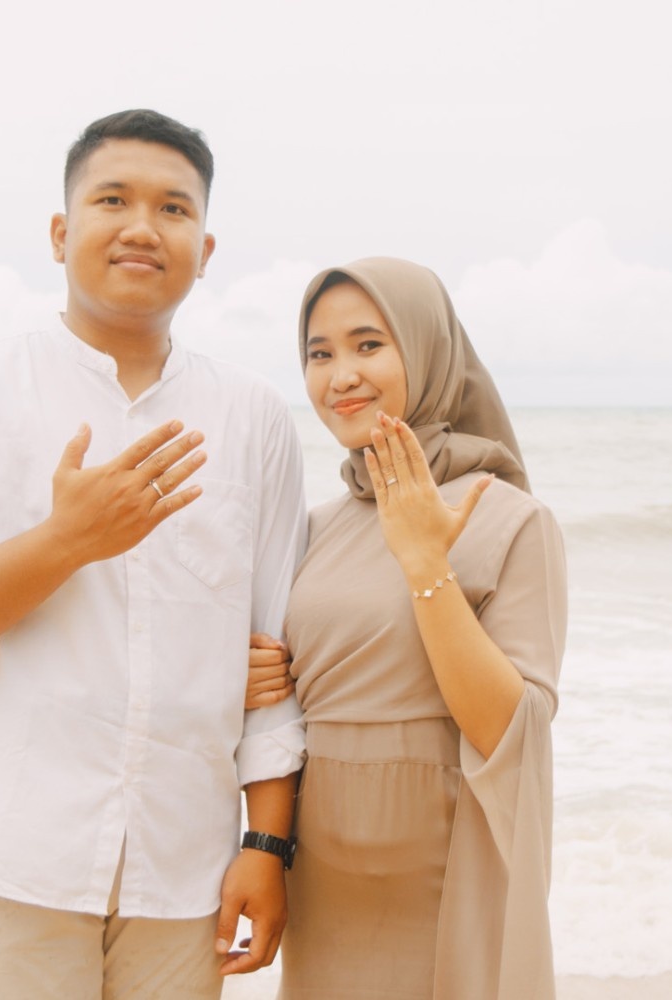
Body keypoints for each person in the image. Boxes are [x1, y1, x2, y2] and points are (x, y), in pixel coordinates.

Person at [0, 109, 307, 999]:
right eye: (113, 200)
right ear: (61, 234)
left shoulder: (253, 416)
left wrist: (266, 843)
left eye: (174, 209)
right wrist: (62, 545)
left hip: (184, 865)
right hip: (6, 851)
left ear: (206, 250)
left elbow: (272, 651)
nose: (143, 227)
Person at [247, 257, 566, 1000]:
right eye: (319, 354)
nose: (341, 376)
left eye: (368, 344)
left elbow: (512, 729)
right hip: (324, 877)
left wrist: (425, 561)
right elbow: (286, 710)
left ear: (426, 352)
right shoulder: (313, 529)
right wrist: (251, 679)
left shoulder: (511, 518)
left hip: (449, 870)